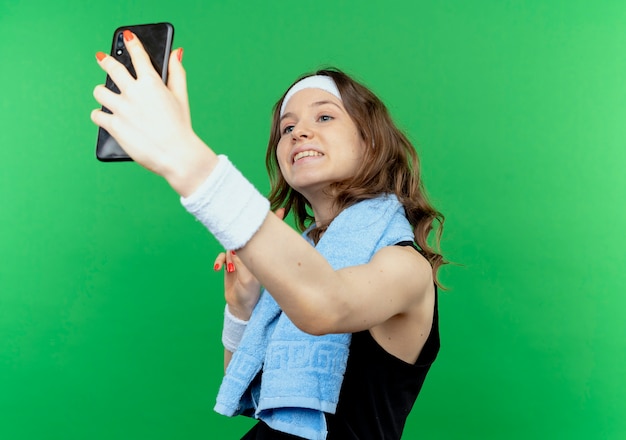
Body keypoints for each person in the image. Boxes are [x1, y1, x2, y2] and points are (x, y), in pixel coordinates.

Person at [92, 30, 446, 440]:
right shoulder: (302, 258)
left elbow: (326, 306)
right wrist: (241, 308)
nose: (298, 132)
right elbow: (256, 388)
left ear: (372, 143)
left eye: (325, 116)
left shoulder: (405, 266)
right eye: (286, 127)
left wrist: (185, 159)